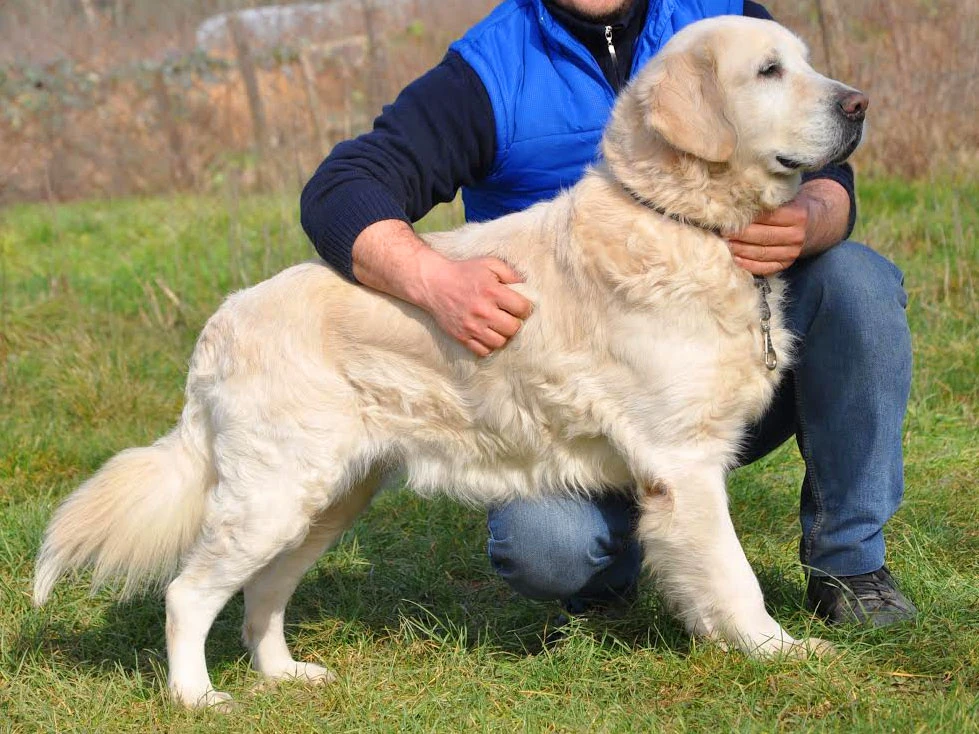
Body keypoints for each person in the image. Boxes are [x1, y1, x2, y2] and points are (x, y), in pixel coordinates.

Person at [301, 0, 917, 627]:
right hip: (573, 413)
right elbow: (341, 189)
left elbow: (824, 169)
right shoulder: (490, 69)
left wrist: (814, 217)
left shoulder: (722, 17)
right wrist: (431, 279)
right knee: (547, 550)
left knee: (856, 283)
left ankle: (850, 565)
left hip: (733, 358)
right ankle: (616, 571)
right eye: (772, 74)